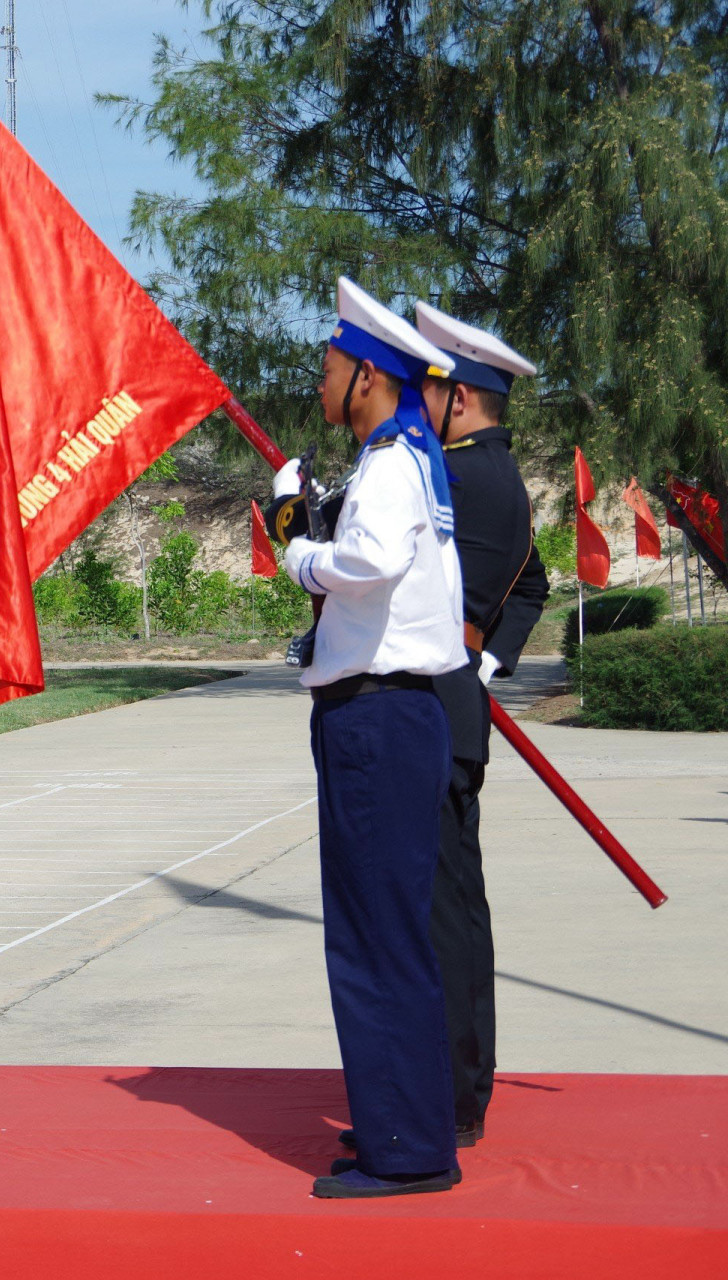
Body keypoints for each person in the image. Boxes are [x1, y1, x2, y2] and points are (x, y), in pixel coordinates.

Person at [277, 277, 466, 1198]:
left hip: (377, 718)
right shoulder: (410, 462)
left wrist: (300, 553)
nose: (320, 388)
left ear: (367, 378)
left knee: (371, 937)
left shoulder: (392, 465)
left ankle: (408, 1150)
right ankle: (404, 1120)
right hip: (395, 714)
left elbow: (373, 563)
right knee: (389, 932)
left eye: (329, 371)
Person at [403, 302, 550, 1150]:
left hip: (426, 706)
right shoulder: (498, 477)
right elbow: (529, 587)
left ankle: (453, 1092)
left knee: (439, 912)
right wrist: (486, 663)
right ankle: (459, 1086)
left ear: (457, 397)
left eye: (425, 387)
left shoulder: (453, 478)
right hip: (451, 697)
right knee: (453, 903)